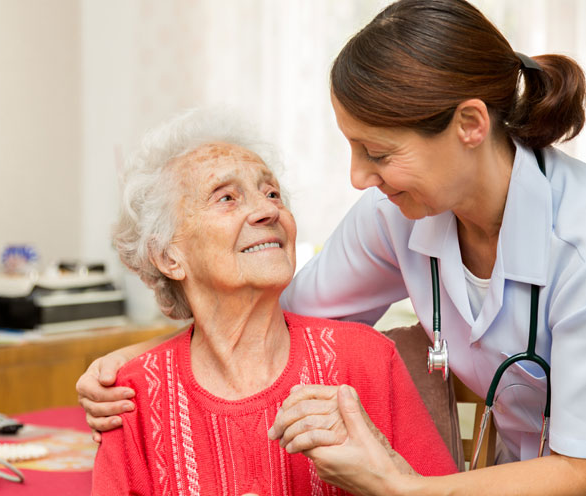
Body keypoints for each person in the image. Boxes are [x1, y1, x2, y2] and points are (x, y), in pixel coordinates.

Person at [77, 0, 586, 492]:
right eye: (352, 147)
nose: (358, 176)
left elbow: (578, 468)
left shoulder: (575, 239)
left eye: (379, 152)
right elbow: (271, 316)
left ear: (470, 125)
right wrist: (149, 361)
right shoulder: (394, 215)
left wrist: (399, 490)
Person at [89, 108, 456, 495]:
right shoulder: (130, 397)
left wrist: (377, 467)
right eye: (227, 197)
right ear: (168, 257)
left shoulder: (368, 360)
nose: (268, 210)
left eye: (272, 193)